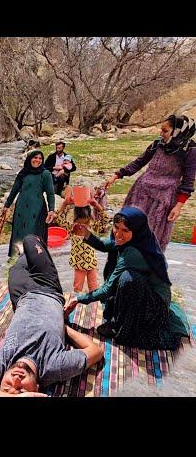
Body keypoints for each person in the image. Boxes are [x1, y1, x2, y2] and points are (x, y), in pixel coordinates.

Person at [0, 235, 104, 397]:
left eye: (7, 388)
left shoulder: (1, 365)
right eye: (21, 389)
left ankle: (23, 254)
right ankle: (28, 251)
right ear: (36, 389)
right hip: (48, 288)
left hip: (20, 296)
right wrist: (63, 328)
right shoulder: (54, 367)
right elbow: (96, 351)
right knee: (30, 240)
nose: (15, 381)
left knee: (17, 266)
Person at [64, 207, 190, 349]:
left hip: (155, 306)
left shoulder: (134, 253)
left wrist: (78, 299)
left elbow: (106, 290)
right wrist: (86, 233)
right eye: (116, 228)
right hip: (144, 293)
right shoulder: (137, 240)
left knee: (126, 279)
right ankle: (123, 321)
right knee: (125, 279)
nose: (118, 234)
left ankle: (127, 331)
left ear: (135, 231)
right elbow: (106, 245)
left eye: (125, 231)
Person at [103, 114, 196, 251]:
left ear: (177, 132)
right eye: (161, 130)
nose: (161, 133)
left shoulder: (190, 151)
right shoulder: (158, 144)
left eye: (165, 131)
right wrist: (117, 175)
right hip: (141, 192)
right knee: (130, 225)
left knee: (153, 232)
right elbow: (139, 162)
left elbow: (188, 181)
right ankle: (127, 260)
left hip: (163, 198)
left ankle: (149, 266)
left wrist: (178, 206)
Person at [3, 150, 56, 257]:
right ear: (29, 159)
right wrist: (6, 205)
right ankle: (18, 254)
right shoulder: (23, 173)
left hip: (37, 207)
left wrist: (51, 209)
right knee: (19, 230)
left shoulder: (45, 174)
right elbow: (14, 190)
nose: (37, 160)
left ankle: (35, 257)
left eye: (40, 158)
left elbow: (50, 193)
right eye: (35, 158)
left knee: (34, 232)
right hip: (21, 207)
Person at [54, 191, 109, 292]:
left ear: (89, 218)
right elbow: (58, 218)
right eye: (79, 222)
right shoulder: (72, 229)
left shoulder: (93, 228)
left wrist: (97, 205)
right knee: (77, 287)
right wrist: (64, 203)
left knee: (94, 287)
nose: (81, 226)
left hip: (91, 264)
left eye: (85, 222)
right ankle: (76, 304)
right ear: (75, 219)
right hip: (79, 265)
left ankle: (93, 305)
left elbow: (105, 219)